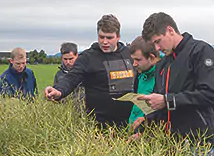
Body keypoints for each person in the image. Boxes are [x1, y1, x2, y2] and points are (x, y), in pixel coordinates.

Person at [45, 14, 136, 129]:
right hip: (98, 125)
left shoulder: (130, 55)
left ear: (118, 37)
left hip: (130, 123)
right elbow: (72, 77)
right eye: (101, 37)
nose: (105, 42)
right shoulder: (88, 57)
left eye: (109, 38)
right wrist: (59, 91)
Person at [138, 12, 214, 148]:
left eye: (158, 41)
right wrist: (144, 126)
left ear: (170, 30)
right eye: (153, 44)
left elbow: (209, 94)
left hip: (199, 143)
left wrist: (167, 101)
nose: (157, 48)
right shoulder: (162, 64)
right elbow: (160, 104)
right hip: (171, 144)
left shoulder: (201, 51)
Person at [127, 36, 160, 137]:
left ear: (151, 58)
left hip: (150, 134)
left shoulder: (162, 76)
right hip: (134, 128)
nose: (134, 64)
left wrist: (145, 132)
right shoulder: (140, 73)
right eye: (133, 60)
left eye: (138, 60)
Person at [54, 42, 85, 110]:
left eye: (71, 59)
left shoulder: (85, 72)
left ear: (77, 55)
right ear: (61, 57)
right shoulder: (59, 75)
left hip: (83, 110)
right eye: (65, 59)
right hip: (66, 111)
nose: (68, 62)